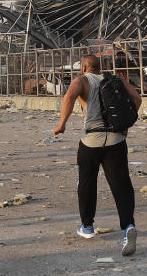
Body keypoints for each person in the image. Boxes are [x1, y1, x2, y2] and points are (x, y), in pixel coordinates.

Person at [54, 55, 142, 256]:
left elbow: (69, 96)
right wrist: (125, 124)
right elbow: (137, 99)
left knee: (86, 183)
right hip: (116, 140)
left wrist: (62, 124)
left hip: (90, 141)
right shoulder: (116, 80)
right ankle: (128, 227)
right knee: (122, 186)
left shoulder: (82, 80)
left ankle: (87, 226)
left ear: (84, 67)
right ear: (100, 68)